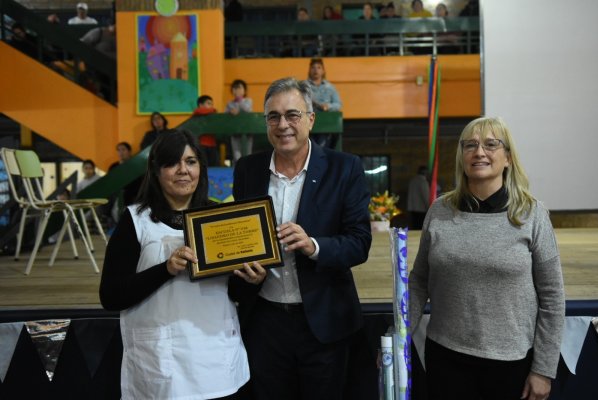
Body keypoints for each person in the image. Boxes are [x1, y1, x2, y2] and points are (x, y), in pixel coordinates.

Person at [228, 77, 372, 400]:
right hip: (264, 321)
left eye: (292, 115)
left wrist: (314, 246)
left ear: (311, 118)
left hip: (324, 323)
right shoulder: (248, 170)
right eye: (273, 117)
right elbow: (240, 238)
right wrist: (246, 268)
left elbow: (360, 241)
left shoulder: (344, 168)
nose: (283, 125)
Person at [99, 129, 266, 399]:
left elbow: (235, 293)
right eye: (172, 163)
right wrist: (165, 269)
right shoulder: (136, 221)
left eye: (190, 162)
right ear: (155, 170)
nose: (183, 170)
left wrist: (253, 280)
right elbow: (111, 296)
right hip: (160, 363)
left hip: (215, 356)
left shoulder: (221, 218)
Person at [409, 117, 565, 400]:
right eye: (470, 145)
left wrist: (543, 369)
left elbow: (553, 297)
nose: (479, 152)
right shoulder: (439, 210)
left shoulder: (532, 214)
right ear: (462, 156)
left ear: (507, 158)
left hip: (511, 363)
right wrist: (399, 334)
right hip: (445, 358)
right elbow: (419, 281)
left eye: (491, 144)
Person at [304, 58, 342, 149]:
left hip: (326, 124)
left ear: (323, 71)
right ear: (309, 70)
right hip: (308, 124)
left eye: (319, 67)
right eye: (313, 67)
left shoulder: (330, 87)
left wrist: (327, 106)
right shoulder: (303, 86)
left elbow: (338, 104)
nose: (316, 70)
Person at [225, 80, 253, 163]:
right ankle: (238, 171)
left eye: (240, 88)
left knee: (247, 154)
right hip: (235, 132)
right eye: (235, 88)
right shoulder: (230, 103)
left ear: (244, 91)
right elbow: (225, 115)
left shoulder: (248, 100)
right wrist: (230, 112)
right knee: (236, 154)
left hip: (247, 132)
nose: (237, 90)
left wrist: (239, 100)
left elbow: (247, 109)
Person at [192, 95, 220, 166]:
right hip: (202, 145)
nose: (211, 106)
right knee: (204, 165)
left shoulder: (211, 116)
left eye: (212, 104)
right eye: (208, 103)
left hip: (212, 144)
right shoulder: (197, 112)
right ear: (201, 105)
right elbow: (198, 110)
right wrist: (213, 110)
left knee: (214, 165)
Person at [407, 165, 430, 229]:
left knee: (414, 227)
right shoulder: (423, 182)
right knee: (420, 229)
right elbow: (426, 197)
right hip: (421, 210)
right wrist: (429, 208)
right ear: (426, 173)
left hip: (413, 209)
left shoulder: (412, 181)